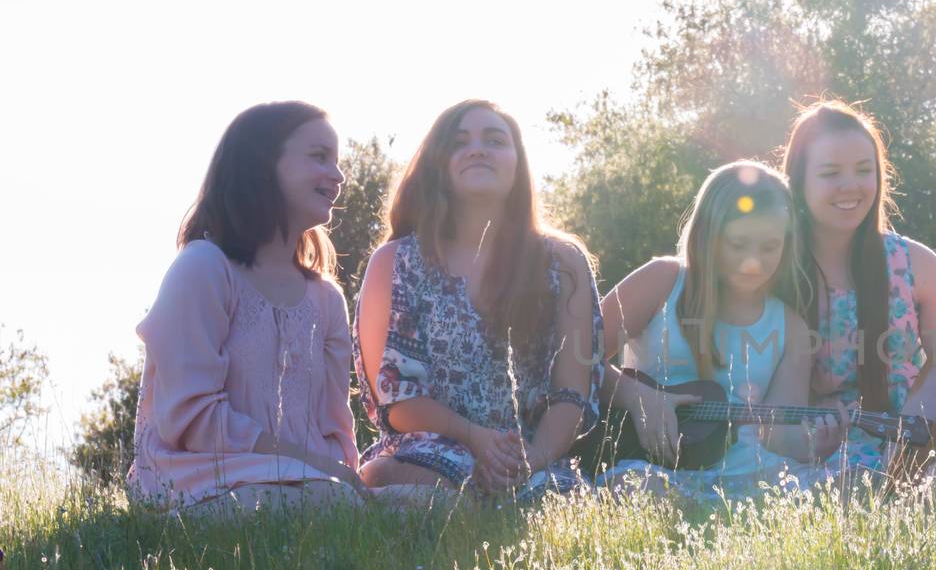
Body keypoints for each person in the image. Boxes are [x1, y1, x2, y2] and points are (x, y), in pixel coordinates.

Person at [355, 100, 602, 503]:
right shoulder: (395, 262)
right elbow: (397, 401)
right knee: (425, 494)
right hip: (427, 455)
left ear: (518, 162)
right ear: (438, 165)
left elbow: (571, 395)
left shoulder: (563, 262)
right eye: (459, 142)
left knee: (562, 505)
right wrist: (474, 438)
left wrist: (529, 459)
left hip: (529, 460)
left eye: (495, 139)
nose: (478, 149)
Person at [129, 101, 362, 513]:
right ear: (264, 164)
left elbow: (335, 429)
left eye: (337, 161)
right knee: (331, 501)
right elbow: (190, 419)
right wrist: (303, 464)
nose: (338, 175)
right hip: (198, 486)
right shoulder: (203, 269)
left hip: (308, 486)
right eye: (319, 157)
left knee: (430, 503)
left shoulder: (327, 299)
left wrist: (337, 472)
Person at [597, 160, 842, 501]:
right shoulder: (662, 281)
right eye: (738, 245)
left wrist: (811, 444)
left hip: (746, 472)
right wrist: (639, 397)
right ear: (708, 236)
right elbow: (575, 360)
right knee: (634, 489)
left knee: (850, 484)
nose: (753, 261)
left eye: (769, 247)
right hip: (653, 464)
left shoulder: (791, 327)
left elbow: (777, 434)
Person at [779, 101, 936, 482]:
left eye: (864, 170)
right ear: (799, 180)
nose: (851, 186)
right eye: (830, 173)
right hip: (813, 456)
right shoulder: (774, 270)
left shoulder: (916, 265)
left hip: (914, 447)